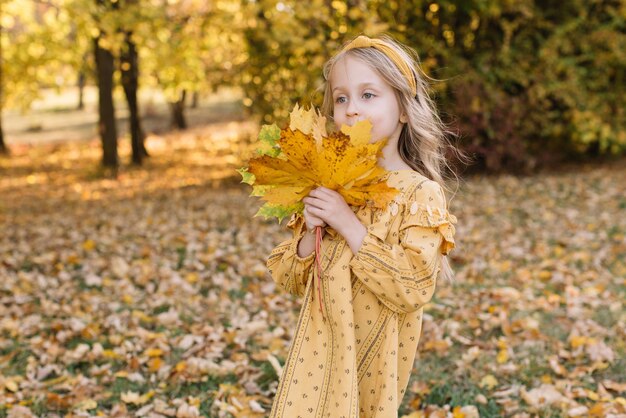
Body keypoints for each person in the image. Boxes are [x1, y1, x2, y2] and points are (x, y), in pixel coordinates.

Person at [266, 34, 458, 417]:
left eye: (368, 95)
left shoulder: (420, 194)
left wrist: (349, 225)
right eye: (341, 98)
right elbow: (288, 277)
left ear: (404, 108)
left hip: (374, 358)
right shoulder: (332, 184)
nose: (352, 109)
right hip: (319, 351)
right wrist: (310, 231)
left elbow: (413, 287)